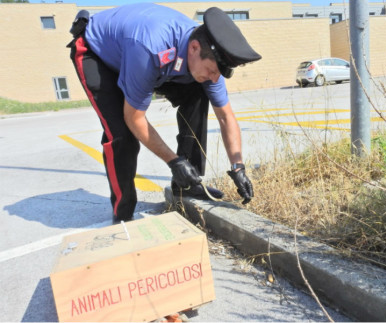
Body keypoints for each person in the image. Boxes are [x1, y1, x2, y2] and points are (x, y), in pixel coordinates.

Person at [67, 3, 262, 224]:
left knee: (200, 92)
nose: (214, 78)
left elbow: (226, 116)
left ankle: (187, 185)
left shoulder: (208, 57)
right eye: (211, 71)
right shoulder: (151, 49)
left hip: (138, 54)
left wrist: (238, 167)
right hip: (97, 54)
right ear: (194, 48)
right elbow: (135, 118)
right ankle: (123, 213)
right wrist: (174, 161)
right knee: (122, 134)